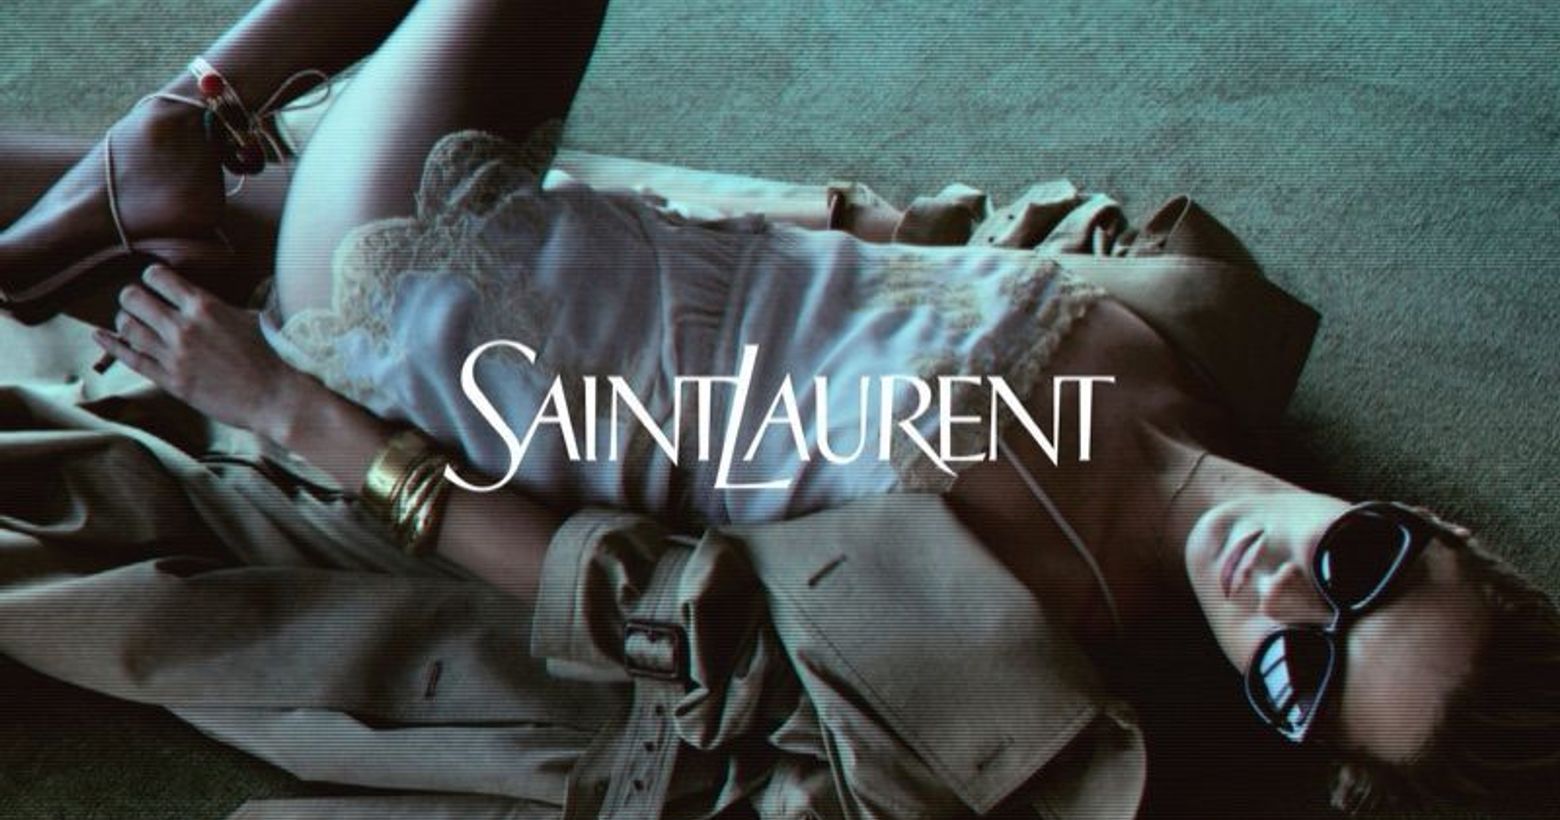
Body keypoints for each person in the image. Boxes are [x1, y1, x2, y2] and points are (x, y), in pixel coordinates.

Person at [0, 1, 1556, 817]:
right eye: (1359, 571)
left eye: (1298, 668)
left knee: (256, 196)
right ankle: (120, 193)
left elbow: (644, 603)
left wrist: (294, 415)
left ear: (1287, 724)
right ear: (1431, 525)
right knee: (137, 212)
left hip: (448, 328)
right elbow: (878, 256)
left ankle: (178, 127)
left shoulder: (1024, 634)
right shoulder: (1204, 337)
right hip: (617, 238)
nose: (1279, 593)